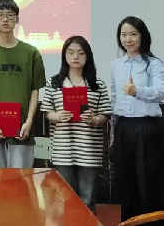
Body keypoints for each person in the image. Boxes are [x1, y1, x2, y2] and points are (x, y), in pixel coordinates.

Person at [41, 36, 112, 213]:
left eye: (81, 53)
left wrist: (94, 119)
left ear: (88, 56)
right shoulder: (54, 83)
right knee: (64, 199)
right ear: (64, 55)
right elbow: (47, 112)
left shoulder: (97, 84)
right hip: (62, 150)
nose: (75, 57)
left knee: (87, 201)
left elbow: (105, 114)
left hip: (89, 150)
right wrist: (58, 116)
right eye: (71, 52)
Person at [0, 0, 46, 168]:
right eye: (0, 15)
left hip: (22, 128)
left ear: (17, 18)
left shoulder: (31, 53)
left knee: (21, 180)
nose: (5, 19)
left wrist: (29, 122)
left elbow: (34, 90)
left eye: (10, 15)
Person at [111, 16, 164, 225]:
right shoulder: (116, 65)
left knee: (149, 183)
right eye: (124, 35)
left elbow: (161, 92)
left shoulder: (153, 64)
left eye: (133, 34)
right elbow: (114, 98)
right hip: (123, 127)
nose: (128, 39)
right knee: (126, 183)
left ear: (142, 36)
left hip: (147, 127)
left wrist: (138, 91)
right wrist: (113, 133)